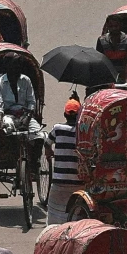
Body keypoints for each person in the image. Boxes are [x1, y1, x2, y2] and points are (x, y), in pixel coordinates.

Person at [47, 96, 82, 224]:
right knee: (76, 213)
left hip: (59, 180)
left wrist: (49, 152)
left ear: (64, 114)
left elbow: (47, 142)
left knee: (53, 212)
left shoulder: (57, 129)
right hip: (78, 181)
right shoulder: (82, 131)